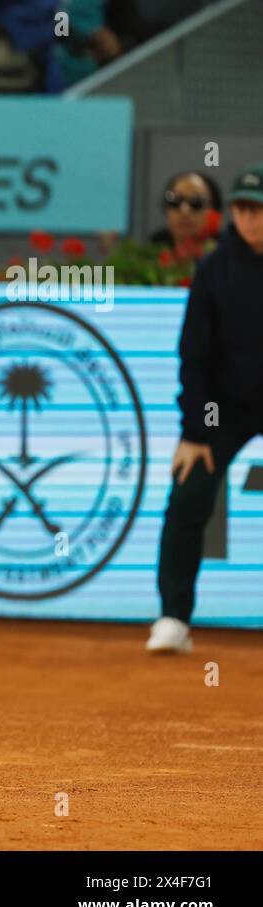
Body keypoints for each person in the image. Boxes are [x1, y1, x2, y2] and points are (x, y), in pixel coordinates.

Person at [149, 164, 263, 653]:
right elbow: (194, 354)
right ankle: (174, 618)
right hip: (226, 408)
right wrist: (195, 429)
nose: (249, 218)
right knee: (188, 494)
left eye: (257, 210)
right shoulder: (215, 268)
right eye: (241, 209)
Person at [149, 171, 222, 257]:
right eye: (175, 200)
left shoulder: (225, 254)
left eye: (196, 203)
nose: (184, 210)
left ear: (214, 212)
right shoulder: (152, 251)